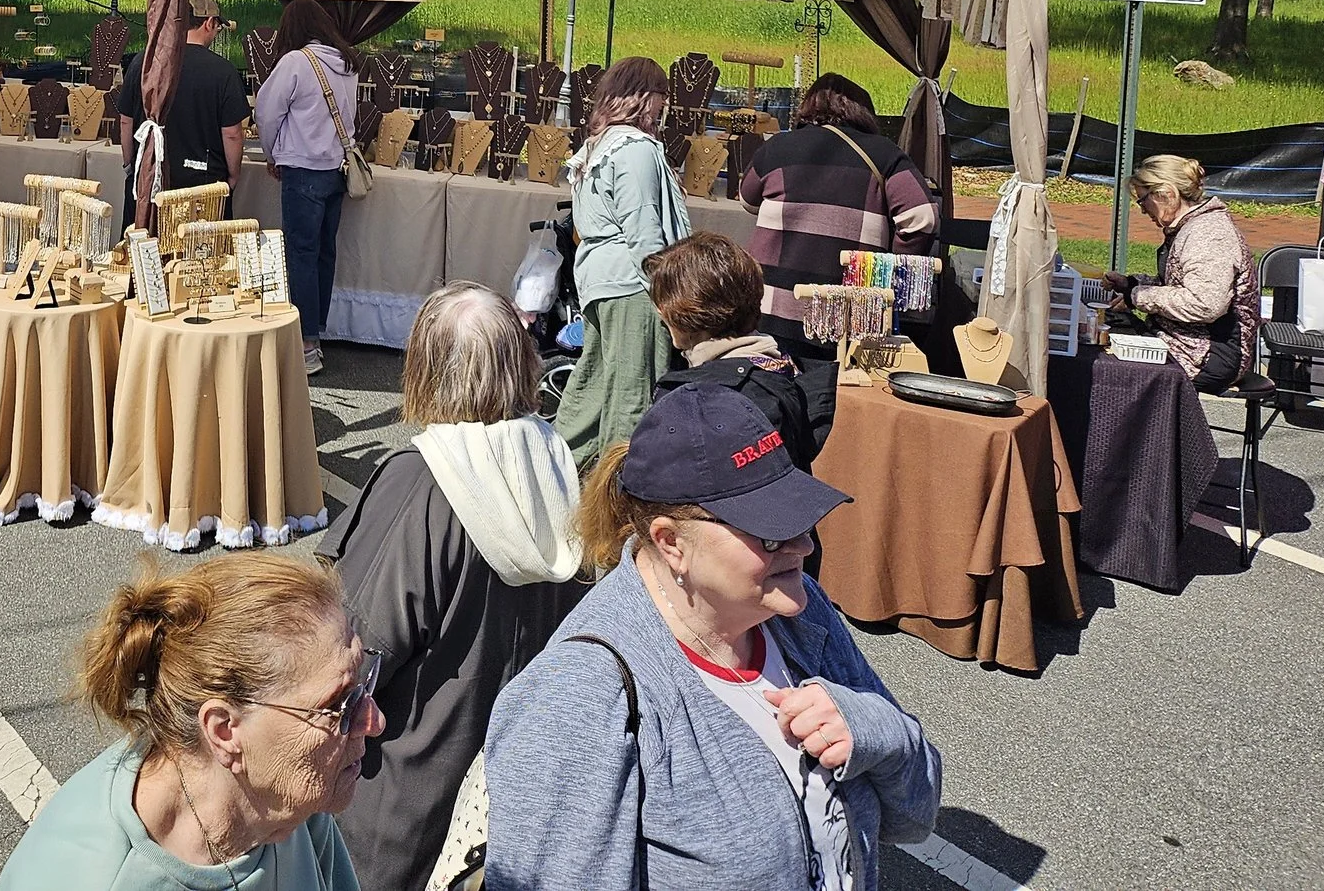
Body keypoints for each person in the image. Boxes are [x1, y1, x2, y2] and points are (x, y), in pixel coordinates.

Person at [485, 385, 943, 891]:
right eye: (770, 532)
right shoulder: (581, 700)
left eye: (802, 518)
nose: (804, 545)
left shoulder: (800, 615)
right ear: (671, 542)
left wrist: (871, 724)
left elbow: (914, 816)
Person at [320, 285, 583, 891]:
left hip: (399, 801)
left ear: (426, 371)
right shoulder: (555, 461)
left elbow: (350, 654)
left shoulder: (424, 482)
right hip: (515, 790)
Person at [0, 553, 374, 891]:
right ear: (223, 731)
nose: (374, 721)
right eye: (338, 703)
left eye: (362, 682)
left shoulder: (285, 799)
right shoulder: (96, 878)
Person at [739, 72, 938, 364]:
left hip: (770, 312)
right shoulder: (884, 155)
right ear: (863, 112)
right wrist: (889, 268)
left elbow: (747, 198)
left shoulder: (778, 148)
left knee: (773, 396)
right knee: (832, 400)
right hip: (846, 320)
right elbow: (922, 218)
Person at [555, 57, 690, 469]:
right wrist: (668, 291)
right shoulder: (635, 149)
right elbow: (645, 230)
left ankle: (556, 467)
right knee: (632, 391)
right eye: (661, 97)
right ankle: (618, 492)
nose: (663, 108)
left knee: (596, 383)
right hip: (634, 284)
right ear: (645, 97)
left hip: (603, 281)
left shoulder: (601, 144)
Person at [647, 232, 822, 470]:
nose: (659, 312)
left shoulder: (692, 397)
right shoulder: (785, 372)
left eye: (662, 304)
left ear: (684, 314)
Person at [253, 0, 364, 374]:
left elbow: (266, 112)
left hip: (302, 170)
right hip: (337, 170)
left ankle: (305, 344)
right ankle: (315, 331)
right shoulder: (347, 63)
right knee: (323, 253)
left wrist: (272, 153)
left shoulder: (295, 63)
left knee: (300, 254)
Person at [1105, 153, 1259, 393]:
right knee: (1107, 333)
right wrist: (1130, 284)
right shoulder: (1190, 227)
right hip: (1183, 341)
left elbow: (1205, 303)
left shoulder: (1210, 234)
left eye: (1143, 200)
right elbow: (1178, 284)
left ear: (1165, 194)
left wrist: (1137, 296)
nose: (1143, 210)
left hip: (1209, 356)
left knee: (1110, 372)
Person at [116, 0, 250, 223]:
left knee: (143, 252)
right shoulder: (223, 71)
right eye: (218, 27)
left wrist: (130, 165)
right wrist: (234, 175)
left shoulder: (143, 62)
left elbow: (126, 120)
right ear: (209, 23)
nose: (217, 33)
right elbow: (232, 134)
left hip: (149, 176)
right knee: (202, 257)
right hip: (203, 183)